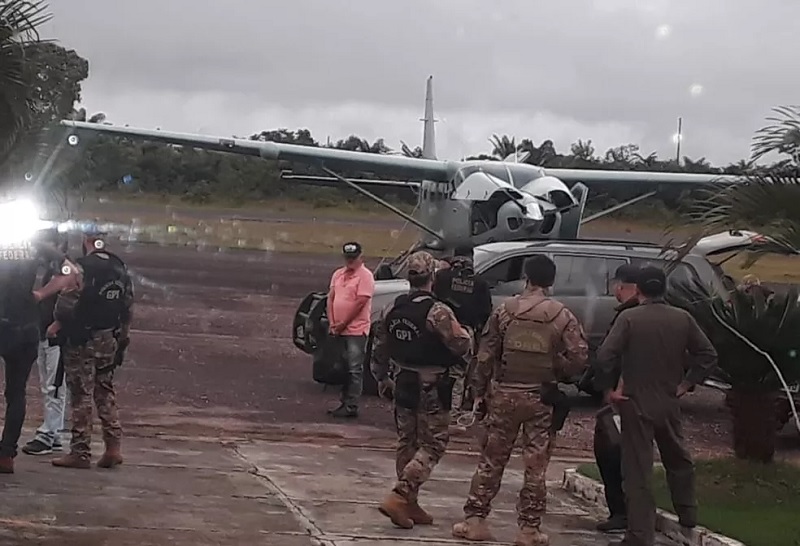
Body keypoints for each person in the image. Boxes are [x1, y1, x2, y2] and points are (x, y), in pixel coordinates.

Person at [452, 254, 589, 546]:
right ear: (551, 282)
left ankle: (475, 520)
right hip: (541, 397)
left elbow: (485, 355)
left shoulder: (504, 311)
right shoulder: (562, 315)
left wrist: (478, 392)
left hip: (504, 395)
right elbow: (579, 357)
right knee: (536, 465)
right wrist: (558, 371)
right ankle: (529, 529)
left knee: (491, 460)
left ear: (526, 278)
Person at [595, 266, 718, 546]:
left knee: (638, 470)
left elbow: (604, 356)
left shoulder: (629, 319)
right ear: (664, 289)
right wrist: (686, 384)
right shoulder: (682, 318)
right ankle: (687, 513)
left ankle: (640, 534)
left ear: (637, 290)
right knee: (678, 458)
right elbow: (708, 354)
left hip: (635, 403)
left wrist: (608, 390)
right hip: (668, 401)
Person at [371, 250, 472, 529]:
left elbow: (380, 347)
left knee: (408, 441)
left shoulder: (392, 308)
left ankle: (409, 504)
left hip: (402, 379)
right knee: (433, 444)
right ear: (433, 277)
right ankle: (400, 494)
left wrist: (380, 378)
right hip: (432, 384)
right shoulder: (437, 311)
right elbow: (460, 344)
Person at [41, 228, 134, 469]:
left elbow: (66, 303)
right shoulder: (119, 267)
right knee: (105, 391)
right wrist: (122, 340)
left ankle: (80, 451)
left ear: (86, 240)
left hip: (83, 340)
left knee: (81, 394)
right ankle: (113, 446)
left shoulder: (80, 267)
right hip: (108, 339)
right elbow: (127, 306)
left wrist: (57, 324)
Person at [591, 264, 642, 532]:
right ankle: (630, 513)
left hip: (620, 398)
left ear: (621, 286)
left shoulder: (627, 315)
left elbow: (610, 356)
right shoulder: (656, 313)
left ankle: (621, 513)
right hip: (645, 397)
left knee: (610, 452)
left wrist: (609, 388)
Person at [0, 226, 46, 473]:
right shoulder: (36, 245)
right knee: (16, 393)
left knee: (16, 393)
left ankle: (6, 453)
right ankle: (6, 454)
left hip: (8, 323)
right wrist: (41, 294)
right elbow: (70, 271)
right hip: (27, 326)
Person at [432, 244, 492, 421]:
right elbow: (486, 312)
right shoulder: (480, 282)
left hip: (439, 328)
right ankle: (453, 412)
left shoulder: (442, 276)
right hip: (465, 332)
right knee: (458, 373)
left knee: (436, 369)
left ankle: (433, 409)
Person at [23, 228, 68, 456]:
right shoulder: (52, 269)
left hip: (57, 337)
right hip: (46, 333)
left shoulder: (64, 268)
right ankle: (54, 431)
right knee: (49, 384)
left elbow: (72, 296)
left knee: (55, 385)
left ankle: (49, 433)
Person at [325, 241, 374, 418]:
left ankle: (351, 405)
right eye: (348, 258)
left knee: (354, 369)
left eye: (353, 258)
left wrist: (342, 324)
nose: (350, 261)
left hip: (355, 330)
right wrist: (332, 322)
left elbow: (360, 303)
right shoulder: (338, 274)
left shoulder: (365, 276)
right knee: (341, 368)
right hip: (338, 329)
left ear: (361, 257)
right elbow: (330, 298)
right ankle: (344, 402)